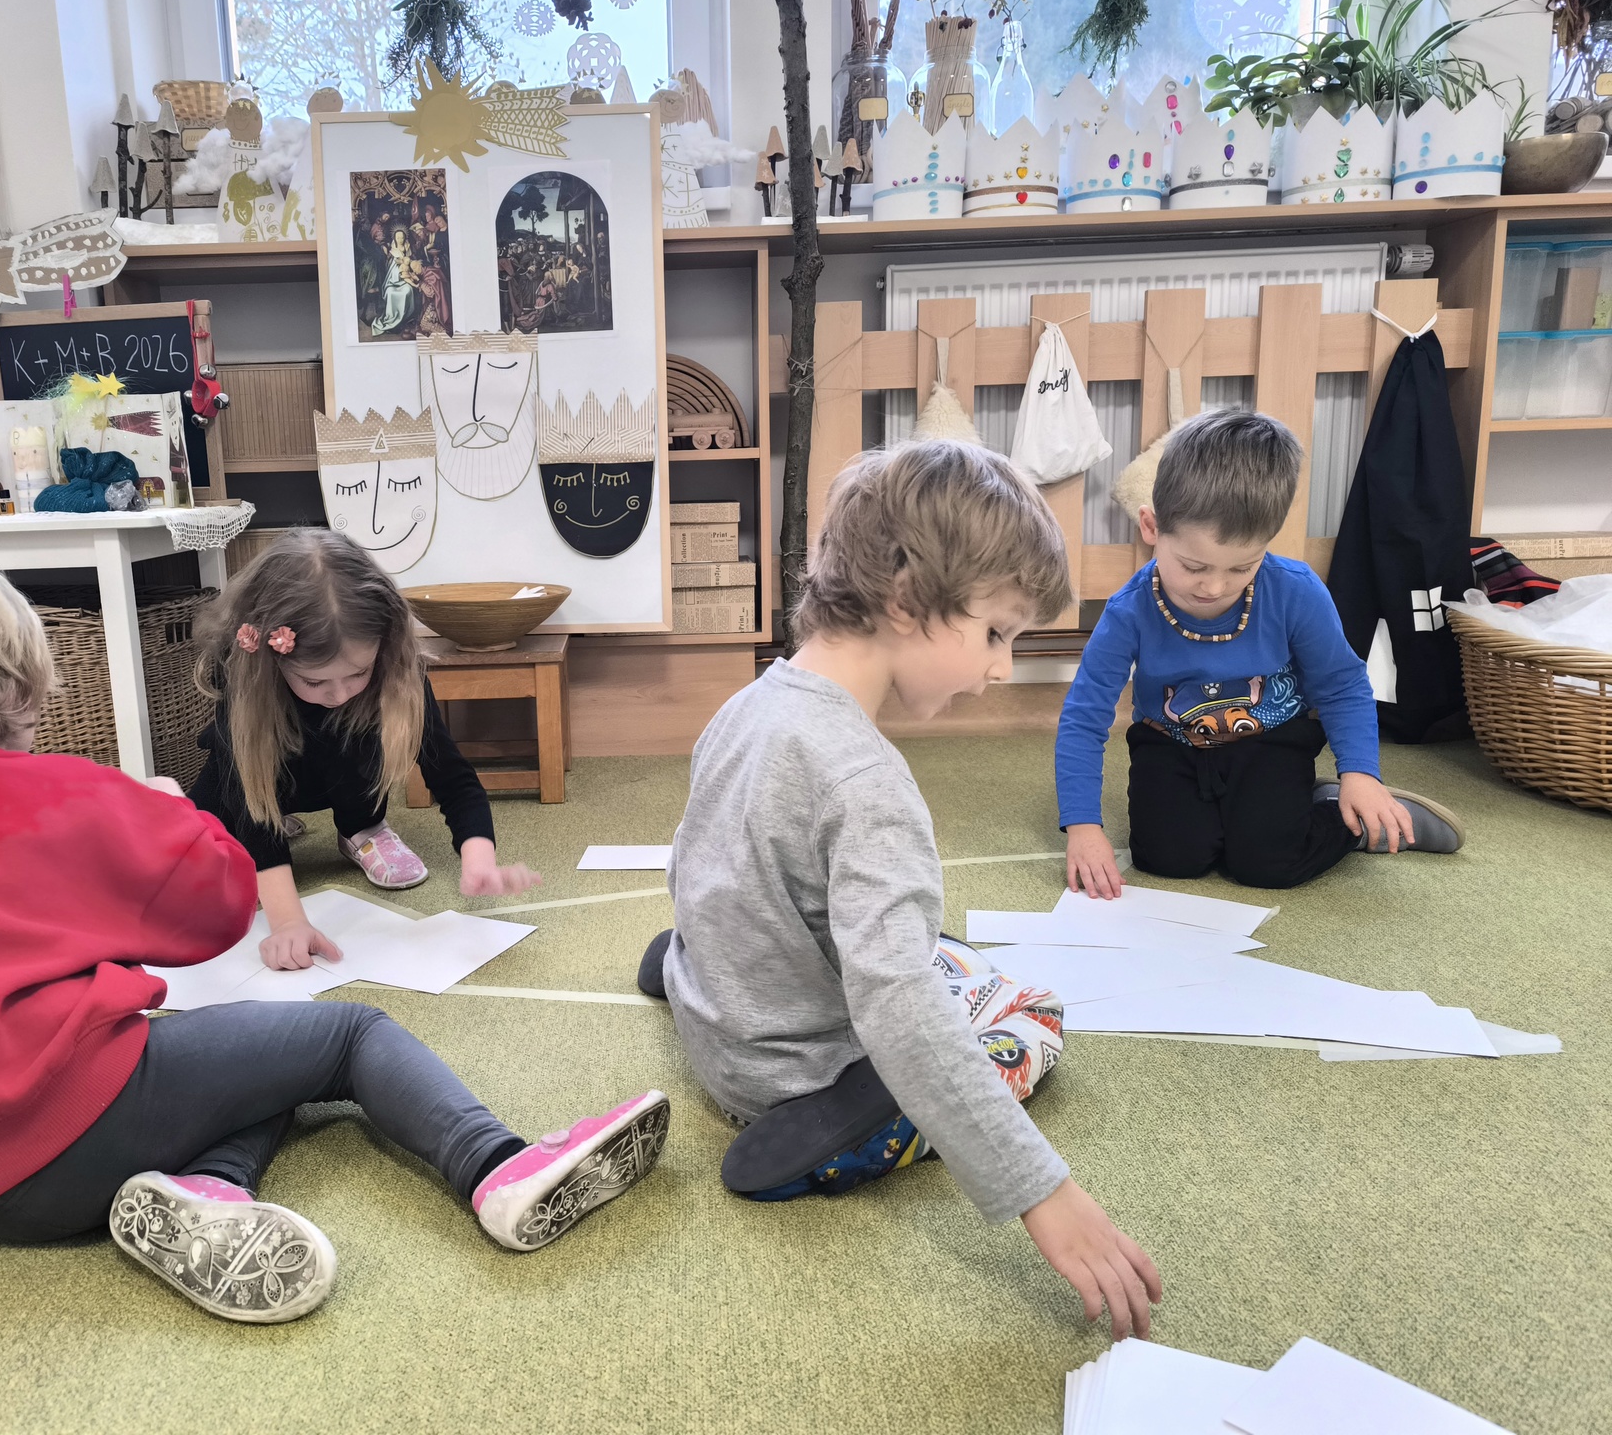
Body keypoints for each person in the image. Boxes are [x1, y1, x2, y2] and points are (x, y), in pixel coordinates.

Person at [0, 545, 668, 1325]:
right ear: (19, 677)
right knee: (344, 1036)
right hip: (77, 1123)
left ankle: (207, 1192)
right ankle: (499, 1168)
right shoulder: (63, 792)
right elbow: (212, 915)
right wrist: (166, 812)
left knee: (259, 1062)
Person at [645, 440, 1164, 1341]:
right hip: (796, 1075)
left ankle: (688, 966)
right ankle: (856, 1114)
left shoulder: (747, 703)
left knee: (932, 949)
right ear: (907, 599)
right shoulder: (869, 787)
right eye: (996, 632)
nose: (1002, 668)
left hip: (719, 1017)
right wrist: (1042, 1189)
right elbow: (898, 1002)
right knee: (1029, 1013)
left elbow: (691, 860)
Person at [1058, 408, 1464, 900]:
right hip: (1171, 744)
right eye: (1193, 566)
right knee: (1169, 859)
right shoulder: (1129, 609)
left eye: (1240, 568)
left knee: (1268, 863)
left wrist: (1360, 774)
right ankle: (1262, 811)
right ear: (1151, 526)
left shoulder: (1295, 590)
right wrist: (1083, 827)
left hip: (1271, 741)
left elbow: (1341, 686)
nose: (1213, 587)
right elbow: (1084, 717)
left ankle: (1349, 814)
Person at [189, 530, 541, 973]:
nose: (339, 694)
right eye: (314, 681)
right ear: (272, 658)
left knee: (361, 735)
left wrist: (479, 858)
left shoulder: (397, 671)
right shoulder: (246, 675)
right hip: (252, 780)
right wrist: (288, 921)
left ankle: (363, 828)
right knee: (191, 855)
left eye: (358, 672)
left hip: (345, 774)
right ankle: (282, 819)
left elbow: (452, 775)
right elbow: (247, 803)